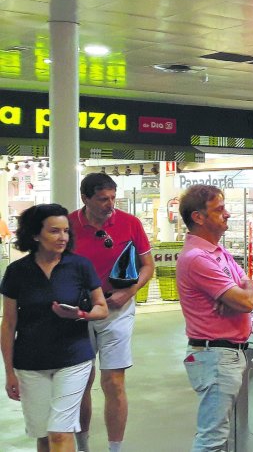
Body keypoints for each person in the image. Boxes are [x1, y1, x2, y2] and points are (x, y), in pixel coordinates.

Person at [2, 204, 109, 452]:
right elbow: (8, 324)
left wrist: (80, 314)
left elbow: (101, 308)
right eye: (54, 231)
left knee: (60, 433)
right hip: (30, 363)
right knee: (43, 436)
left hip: (73, 359)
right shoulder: (17, 272)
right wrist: (9, 372)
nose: (63, 237)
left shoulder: (80, 266)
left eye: (66, 231)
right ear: (35, 235)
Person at [69, 173, 153, 452]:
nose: (110, 204)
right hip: (80, 312)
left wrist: (129, 292)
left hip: (117, 309)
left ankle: (115, 449)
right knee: (81, 380)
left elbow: (148, 266)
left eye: (113, 198)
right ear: (85, 198)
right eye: (103, 199)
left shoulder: (130, 223)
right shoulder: (68, 226)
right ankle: (82, 446)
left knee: (114, 382)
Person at [175, 185, 253, 452]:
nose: (227, 214)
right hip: (216, 357)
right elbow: (247, 301)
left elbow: (247, 288)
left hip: (226, 355)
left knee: (224, 435)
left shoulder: (218, 252)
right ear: (198, 217)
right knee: (212, 438)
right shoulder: (197, 258)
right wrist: (240, 295)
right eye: (219, 209)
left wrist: (242, 291)